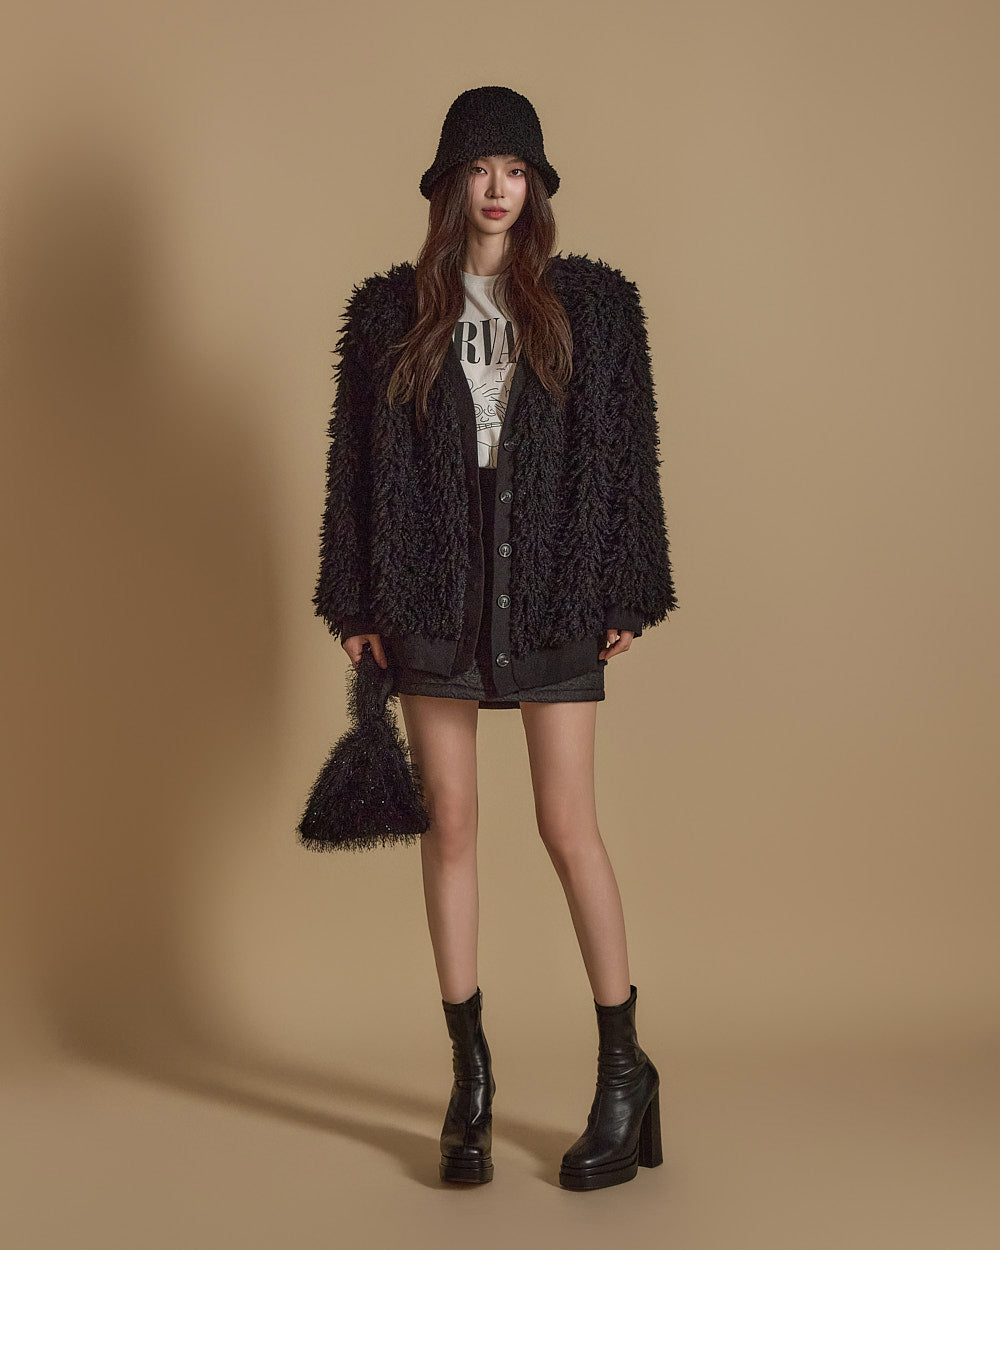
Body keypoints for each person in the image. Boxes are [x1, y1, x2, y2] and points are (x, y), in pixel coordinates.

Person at [313, 86, 679, 1190]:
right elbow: (354, 468)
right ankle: (468, 1081)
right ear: (448, 183)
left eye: (514, 169)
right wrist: (355, 600)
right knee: (454, 824)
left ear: (537, 185)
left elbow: (625, 451)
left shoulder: (593, 308)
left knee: (569, 826)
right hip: (435, 584)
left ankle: (625, 1076)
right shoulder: (390, 316)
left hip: (553, 577)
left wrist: (627, 581)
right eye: (478, 168)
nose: (496, 188)